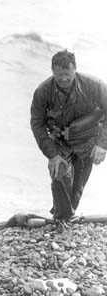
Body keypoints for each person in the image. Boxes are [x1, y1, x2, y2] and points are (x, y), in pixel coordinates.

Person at [30, 50, 107, 224]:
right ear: (52, 71)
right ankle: (60, 219)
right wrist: (52, 155)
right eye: (58, 75)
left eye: (67, 74)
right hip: (60, 143)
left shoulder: (95, 86)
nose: (63, 79)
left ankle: (65, 217)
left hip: (87, 142)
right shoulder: (43, 92)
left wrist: (102, 145)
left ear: (75, 69)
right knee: (59, 175)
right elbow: (37, 124)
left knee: (76, 191)